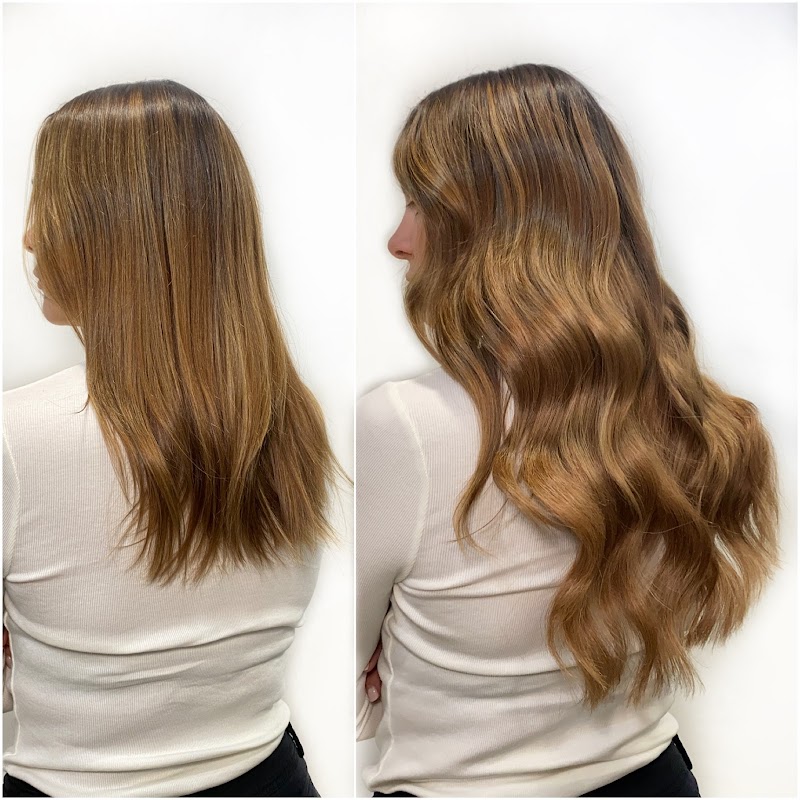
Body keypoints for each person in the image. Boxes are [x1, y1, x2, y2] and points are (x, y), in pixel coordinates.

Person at [356, 63, 780, 797]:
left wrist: (391, 655)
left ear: (492, 229)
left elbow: (349, 660)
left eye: (422, 203)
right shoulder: (686, 406)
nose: (399, 240)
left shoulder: (407, 426)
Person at [3, 80, 345, 797]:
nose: (29, 235)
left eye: (49, 204)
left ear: (114, 230)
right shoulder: (290, 417)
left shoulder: (16, 437)